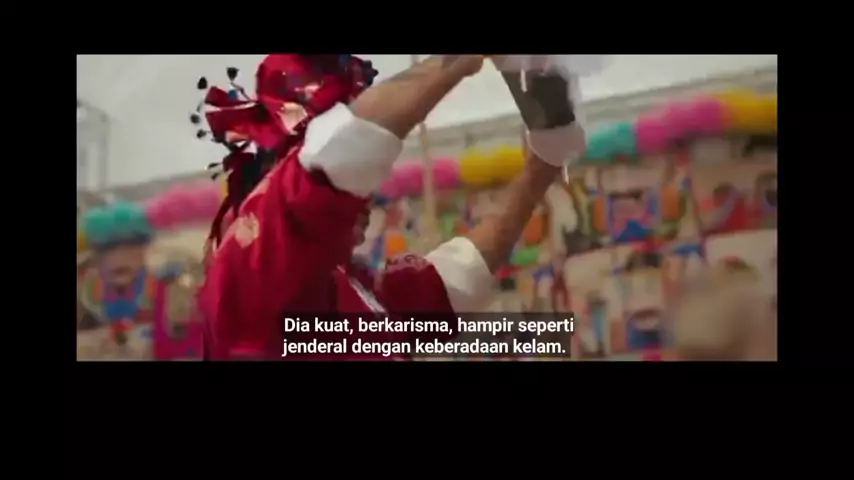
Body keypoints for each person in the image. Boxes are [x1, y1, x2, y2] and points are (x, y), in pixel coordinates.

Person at [193, 54, 592, 360]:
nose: (365, 194)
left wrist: (542, 166)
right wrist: (456, 62)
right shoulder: (249, 273)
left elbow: (449, 283)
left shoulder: (346, 291)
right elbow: (332, 158)